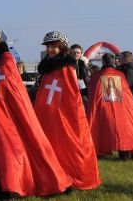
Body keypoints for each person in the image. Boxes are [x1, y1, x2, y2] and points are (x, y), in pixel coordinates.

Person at [0, 25, 71, 197]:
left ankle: (9, 187)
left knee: (6, 152)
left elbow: (8, 87)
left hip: (5, 116)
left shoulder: (6, 60)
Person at [34, 31, 100, 190]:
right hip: (45, 112)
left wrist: (67, 113)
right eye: (48, 46)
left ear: (62, 47)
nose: (50, 49)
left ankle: (67, 178)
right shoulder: (46, 67)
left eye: (54, 46)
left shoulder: (66, 66)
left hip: (61, 115)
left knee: (64, 146)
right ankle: (50, 176)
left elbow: (71, 94)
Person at [87, 53, 133, 160]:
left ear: (103, 62)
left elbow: (92, 92)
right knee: (122, 130)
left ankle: (100, 152)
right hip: (120, 106)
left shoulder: (97, 76)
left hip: (103, 107)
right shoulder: (120, 75)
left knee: (102, 128)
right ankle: (125, 155)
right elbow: (126, 93)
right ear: (113, 61)